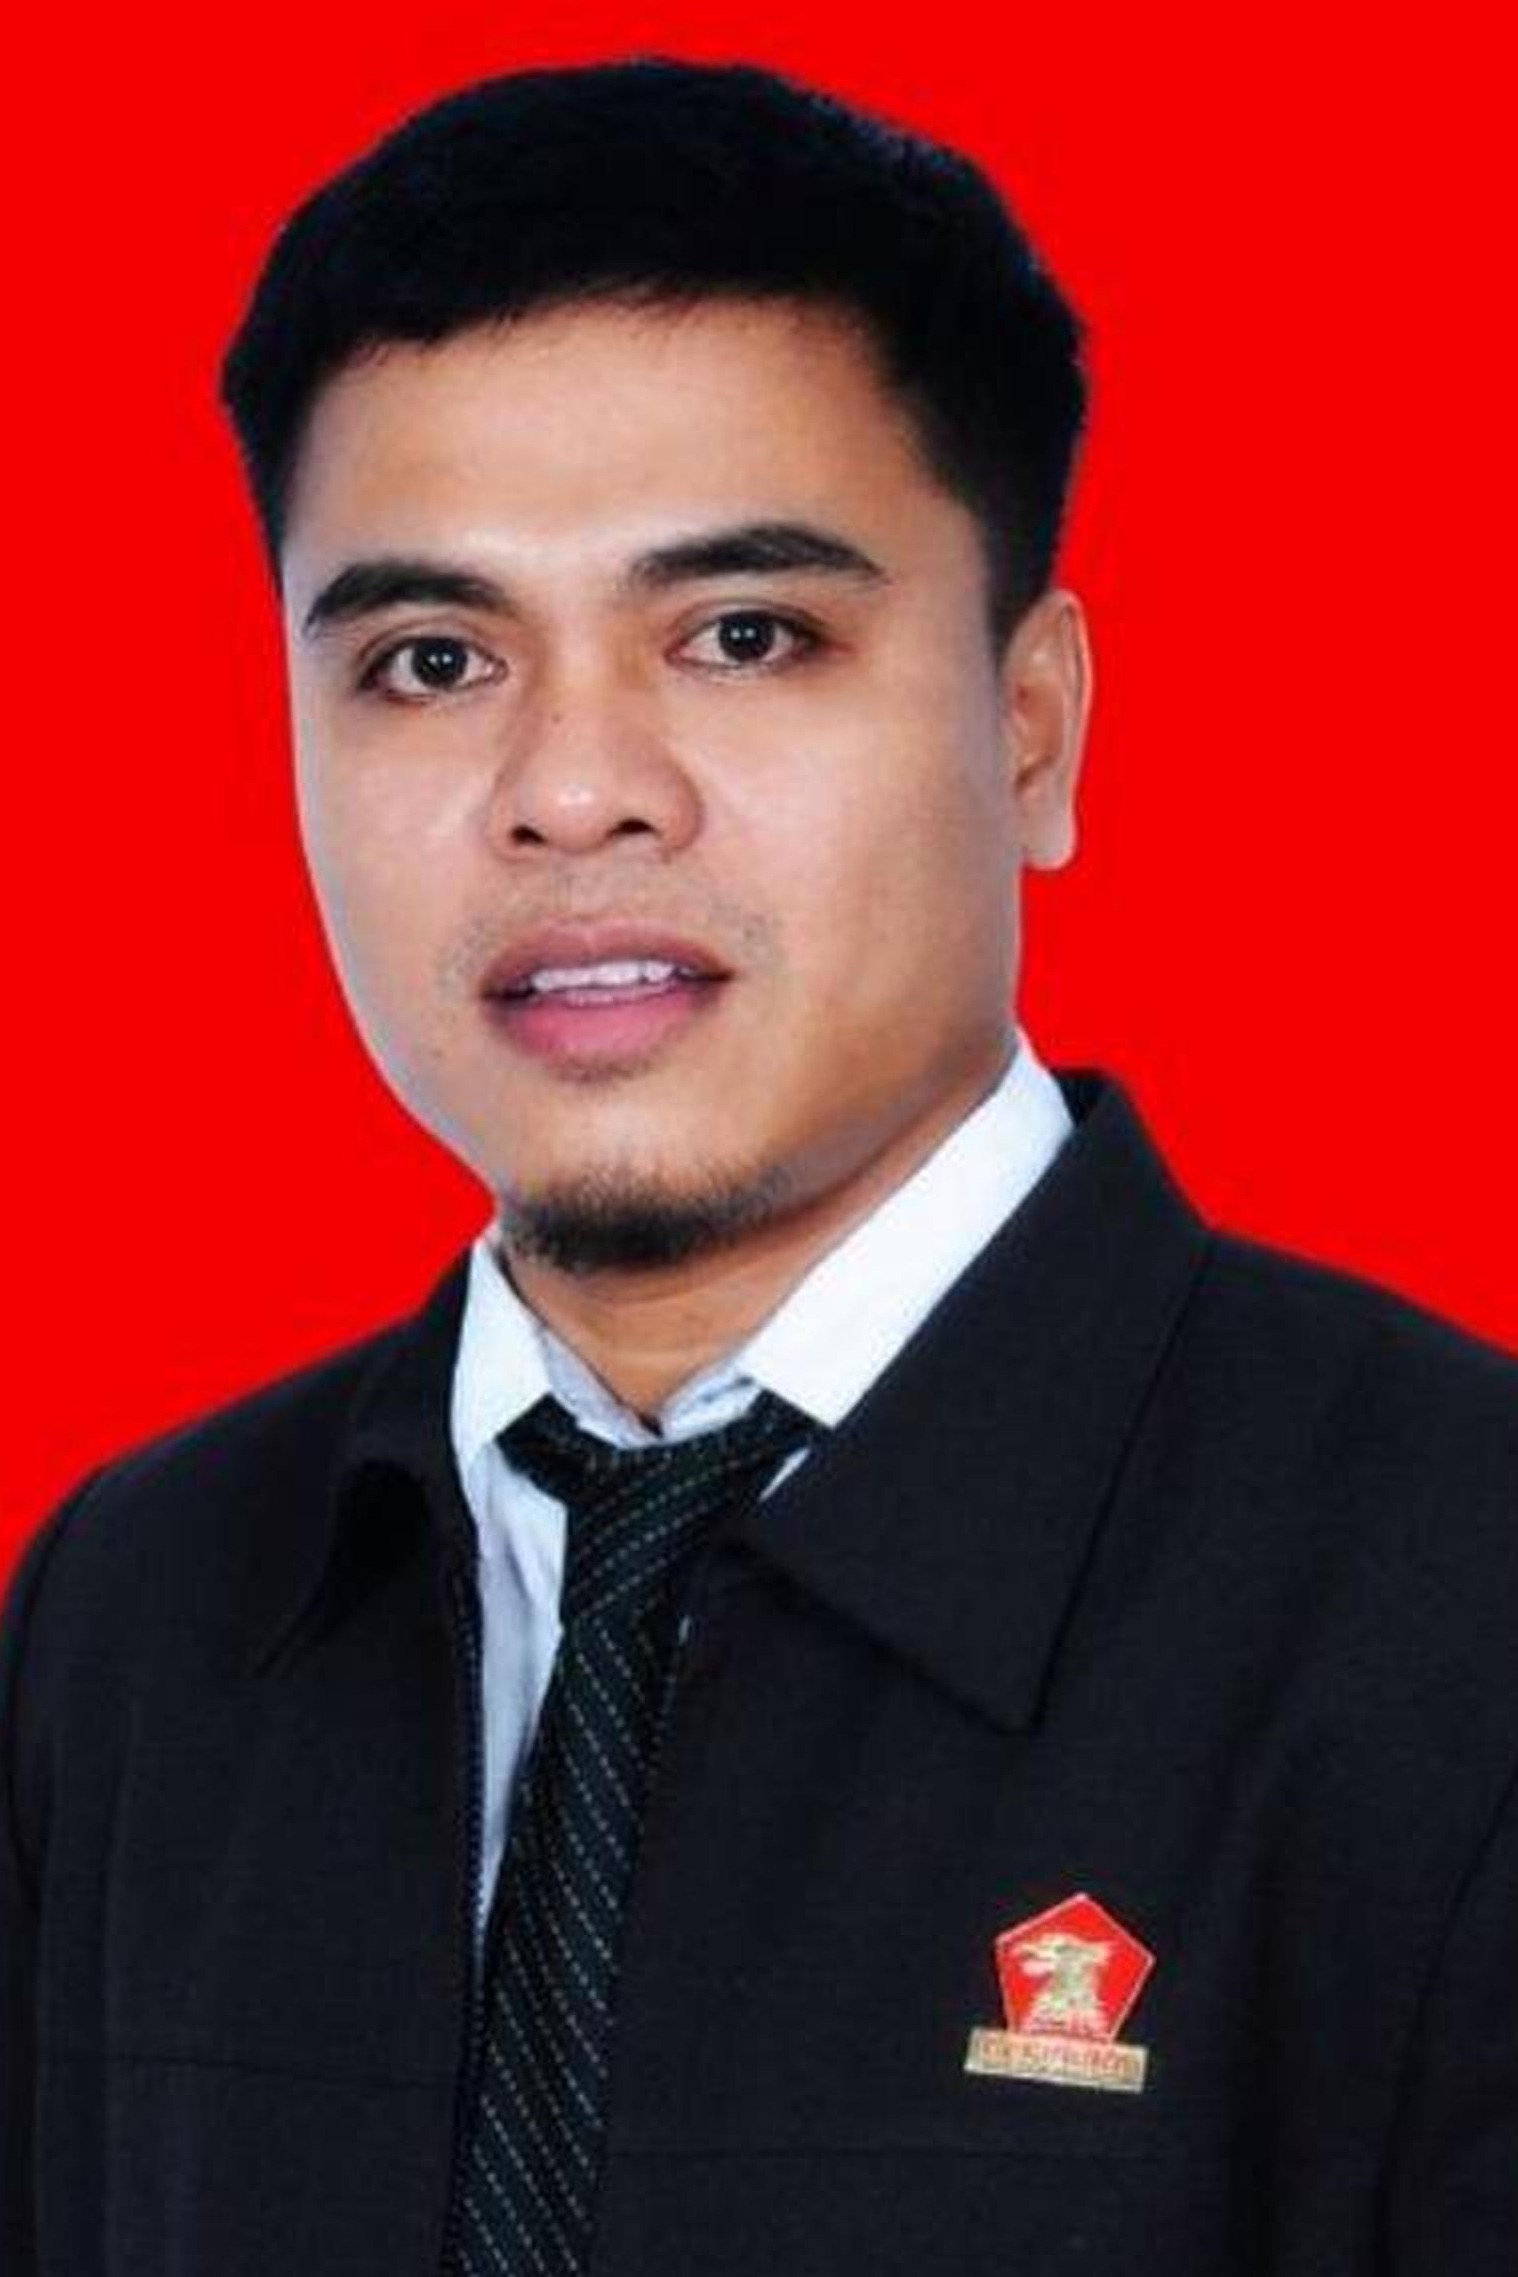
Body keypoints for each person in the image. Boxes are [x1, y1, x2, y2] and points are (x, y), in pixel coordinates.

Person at [2, 55, 1514, 2277]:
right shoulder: (138, 1612)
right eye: (431, 658)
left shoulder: (1455, 1602)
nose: (572, 788)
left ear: (1032, 725)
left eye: (742, 634)